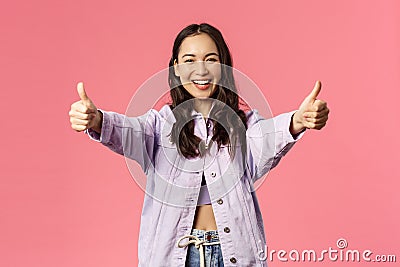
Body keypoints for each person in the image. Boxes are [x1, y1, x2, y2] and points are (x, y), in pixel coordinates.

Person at [69, 23, 329, 267]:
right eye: (189, 60)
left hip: (233, 254)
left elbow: (268, 137)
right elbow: (129, 131)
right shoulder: (159, 125)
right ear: (176, 68)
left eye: (211, 60)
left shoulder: (245, 125)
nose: (201, 70)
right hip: (175, 255)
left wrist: (298, 120)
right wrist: (98, 120)